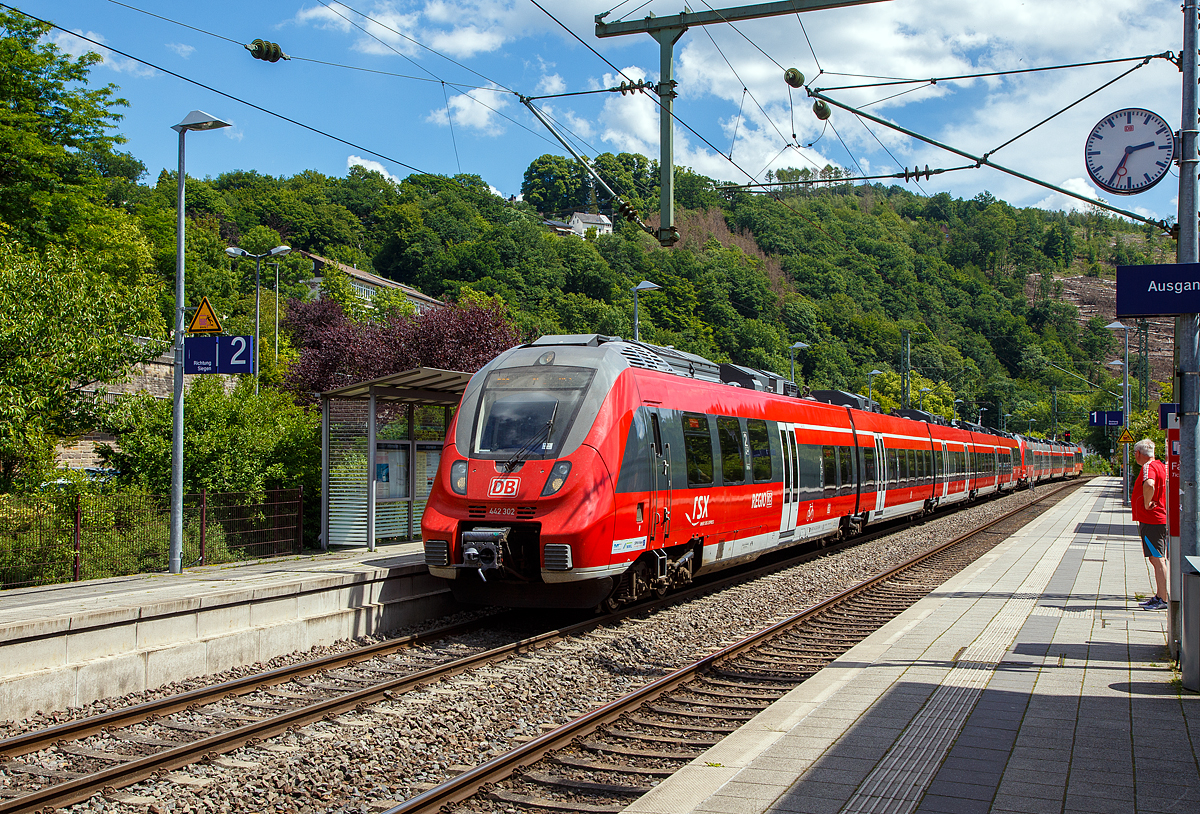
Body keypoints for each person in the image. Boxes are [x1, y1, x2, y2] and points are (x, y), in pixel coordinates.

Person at [1131, 438, 1169, 610]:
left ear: (1138, 453)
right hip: (1158, 519)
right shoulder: (1160, 465)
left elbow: (1149, 484)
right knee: (1157, 558)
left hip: (1152, 519)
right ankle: (1160, 596)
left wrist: (1147, 504)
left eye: (1135, 453)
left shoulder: (1148, 467)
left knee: (1157, 559)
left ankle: (1163, 599)